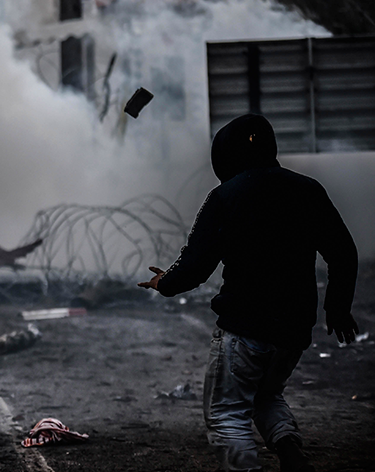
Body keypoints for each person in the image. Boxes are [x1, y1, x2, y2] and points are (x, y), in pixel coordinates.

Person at [138, 113, 358, 472]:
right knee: (266, 394)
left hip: (245, 329)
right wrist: (338, 308)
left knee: (226, 414)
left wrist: (164, 283)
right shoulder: (308, 189)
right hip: (294, 331)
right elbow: (343, 253)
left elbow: (195, 264)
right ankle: (291, 454)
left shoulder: (225, 195)